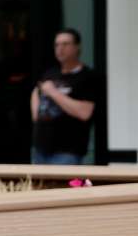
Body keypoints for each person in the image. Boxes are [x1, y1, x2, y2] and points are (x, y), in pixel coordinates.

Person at [31, 28, 100, 165]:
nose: (60, 48)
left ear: (77, 47)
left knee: (63, 187)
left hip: (67, 151)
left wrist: (54, 93)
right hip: (40, 149)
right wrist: (36, 114)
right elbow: (36, 91)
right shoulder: (50, 73)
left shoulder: (88, 76)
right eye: (57, 44)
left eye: (65, 44)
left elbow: (85, 112)